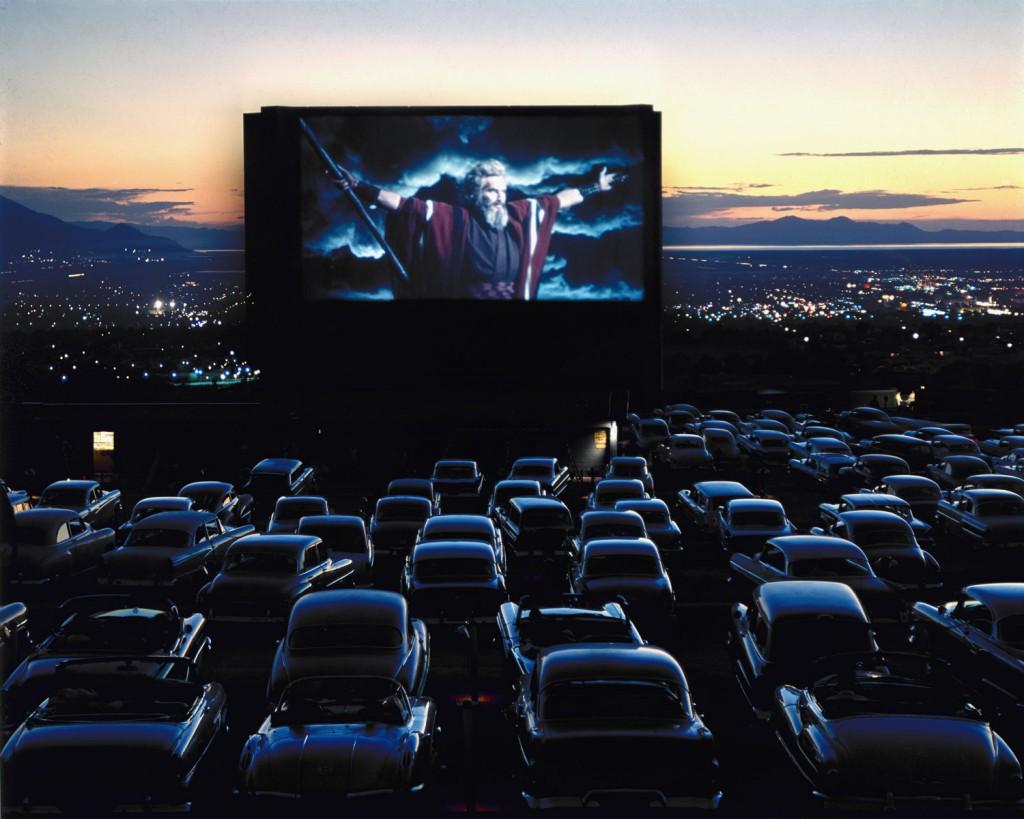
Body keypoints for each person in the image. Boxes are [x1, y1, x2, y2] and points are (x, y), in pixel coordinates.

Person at [337, 159, 622, 299]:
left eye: (502, 190)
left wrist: (596, 187)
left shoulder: (519, 213)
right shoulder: (454, 218)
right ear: (475, 194)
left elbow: (560, 200)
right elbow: (404, 205)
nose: (499, 196)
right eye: (490, 190)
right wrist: (359, 187)